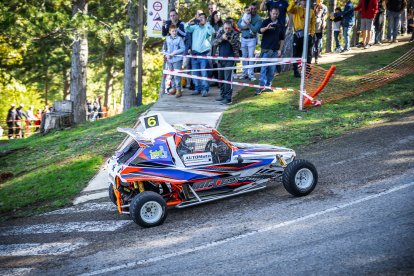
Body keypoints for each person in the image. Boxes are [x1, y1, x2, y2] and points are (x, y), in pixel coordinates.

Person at [255, 7, 285, 95]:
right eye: (273, 13)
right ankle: (261, 87)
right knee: (263, 69)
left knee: (272, 70)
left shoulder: (280, 24)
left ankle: (268, 86)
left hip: (275, 51)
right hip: (265, 50)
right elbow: (260, 31)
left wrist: (280, 50)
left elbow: (282, 39)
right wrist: (267, 28)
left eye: (276, 13)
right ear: (270, 13)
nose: (275, 15)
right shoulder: (265, 21)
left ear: (278, 14)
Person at [186, 13, 215, 97]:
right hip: (194, 54)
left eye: (202, 18)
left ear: (205, 19)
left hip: (203, 54)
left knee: (204, 72)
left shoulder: (207, 27)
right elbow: (186, 28)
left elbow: (212, 31)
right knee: (195, 73)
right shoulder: (195, 27)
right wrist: (192, 20)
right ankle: (197, 88)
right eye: (199, 18)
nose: (200, 19)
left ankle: (205, 89)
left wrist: (206, 23)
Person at [212, 20, 240, 105]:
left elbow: (238, 46)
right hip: (220, 59)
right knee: (221, 78)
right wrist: (222, 38)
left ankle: (228, 98)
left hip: (230, 59)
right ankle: (222, 95)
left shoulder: (235, 33)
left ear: (231, 27)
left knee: (227, 79)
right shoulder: (220, 32)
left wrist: (229, 39)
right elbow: (214, 43)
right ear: (223, 27)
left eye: (228, 28)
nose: (227, 30)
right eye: (225, 28)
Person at [288, 0, 316, 78]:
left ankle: (307, 72)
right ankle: (296, 72)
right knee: (296, 54)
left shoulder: (311, 11)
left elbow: (313, 23)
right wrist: (294, 2)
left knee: (308, 54)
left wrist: (312, 34)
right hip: (297, 34)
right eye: (302, 1)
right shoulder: (296, 9)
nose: (304, 2)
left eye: (305, 1)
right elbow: (289, 9)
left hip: (308, 35)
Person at [238, 2, 263, 81]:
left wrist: (248, 25)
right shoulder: (245, 14)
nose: (252, 10)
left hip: (252, 39)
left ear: (257, 9)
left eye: (254, 8)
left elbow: (255, 30)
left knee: (251, 57)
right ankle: (244, 73)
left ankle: (251, 74)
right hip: (243, 38)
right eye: (251, 8)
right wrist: (246, 27)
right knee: (244, 56)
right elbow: (238, 24)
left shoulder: (258, 19)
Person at [163, 24, 185, 98]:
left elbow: (183, 48)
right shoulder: (167, 38)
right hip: (169, 60)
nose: (174, 32)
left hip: (177, 59)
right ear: (170, 31)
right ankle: (174, 88)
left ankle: (179, 90)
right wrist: (166, 54)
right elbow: (164, 49)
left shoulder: (180, 39)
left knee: (177, 75)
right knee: (171, 75)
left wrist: (174, 53)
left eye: (175, 31)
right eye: (173, 31)